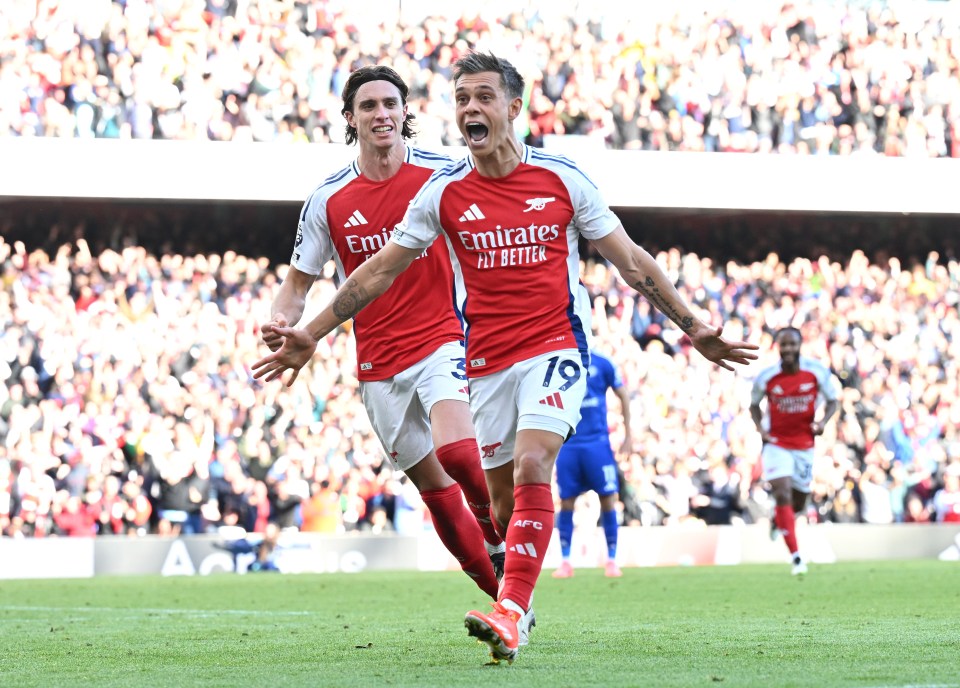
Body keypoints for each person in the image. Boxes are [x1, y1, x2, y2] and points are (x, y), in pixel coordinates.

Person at [253, 52, 758, 664]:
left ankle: (511, 611)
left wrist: (693, 327)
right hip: (476, 362)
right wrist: (309, 331)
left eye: (484, 96)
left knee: (531, 462)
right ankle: (505, 581)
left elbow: (630, 259)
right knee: (495, 500)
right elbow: (377, 271)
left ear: (513, 107)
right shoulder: (440, 194)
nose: (471, 107)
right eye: (462, 98)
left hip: (539, 346)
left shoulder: (562, 179)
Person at [259, 65, 503, 601]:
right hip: (377, 364)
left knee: (460, 454)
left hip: (445, 337)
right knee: (437, 491)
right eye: (368, 106)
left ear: (405, 112)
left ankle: (499, 538)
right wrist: (282, 320)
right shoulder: (328, 199)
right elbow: (298, 282)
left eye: (391, 103)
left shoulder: (443, 172)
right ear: (350, 118)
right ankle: (507, 607)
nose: (382, 114)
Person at [750, 326, 839, 576]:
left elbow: (834, 401)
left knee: (799, 501)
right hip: (776, 443)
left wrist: (822, 423)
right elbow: (753, 405)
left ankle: (778, 521)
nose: (788, 349)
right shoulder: (767, 376)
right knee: (782, 492)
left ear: (800, 346)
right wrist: (761, 430)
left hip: (804, 445)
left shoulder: (816, 372)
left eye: (792, 344)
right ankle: (797, 557)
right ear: (778, 347)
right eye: (784, 345)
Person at [552, 347, 632, 579]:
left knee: (608, 499)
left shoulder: (601, 362)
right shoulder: (558, 362)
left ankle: (612, 560)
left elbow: (623, 394)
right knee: (566, 502)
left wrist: (629, 435)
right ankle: (566, 561)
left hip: (598, 444)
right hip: (569, 444)